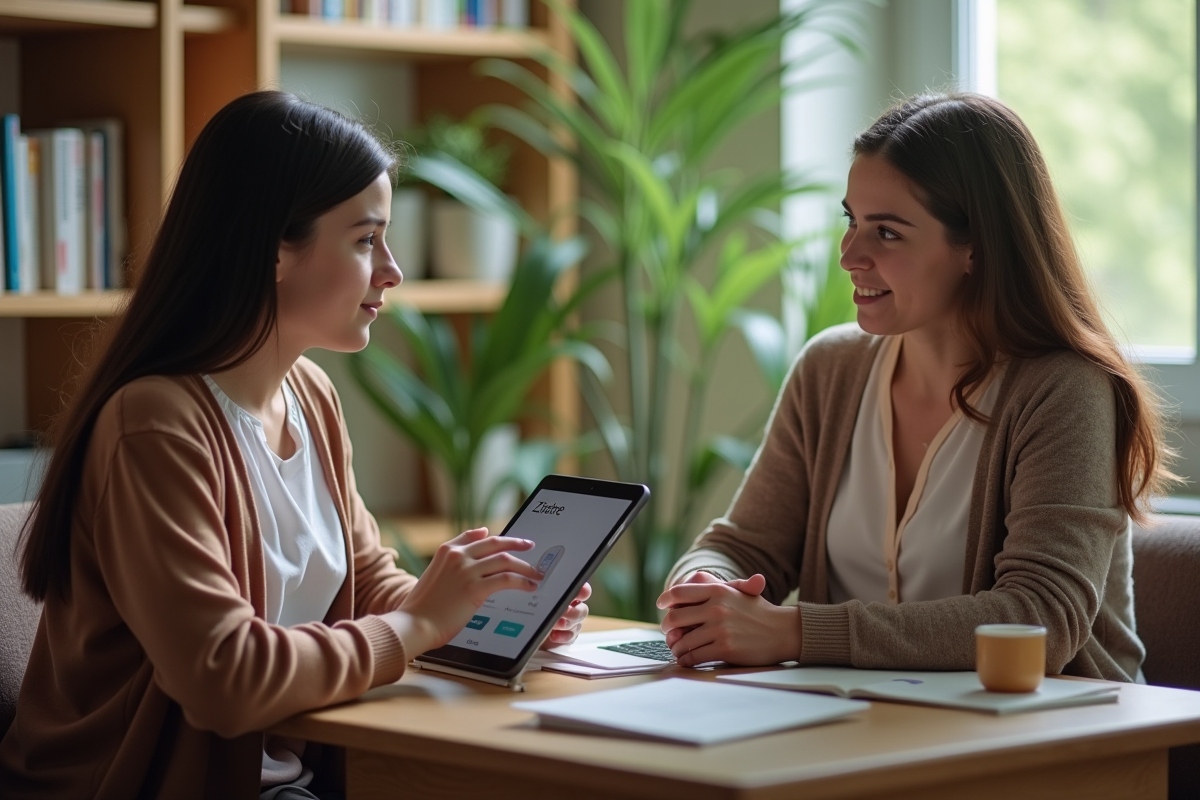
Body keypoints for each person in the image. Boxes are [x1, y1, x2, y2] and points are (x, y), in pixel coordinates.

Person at [0, 91, 589, 799]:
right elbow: (224, 677)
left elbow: (365, 582)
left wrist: (486, 618)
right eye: (366, 240)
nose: (393, 270)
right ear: (275, 248)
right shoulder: (155, 425)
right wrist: (420, 623)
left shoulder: (309, 394)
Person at [658, 92, 1174, 682]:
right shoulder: (829, 369)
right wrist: (706, 589)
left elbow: (1040, 618)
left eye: (887, 232)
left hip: (1054, 726)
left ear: (975, 248)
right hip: (856, 717)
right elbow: (743, 545)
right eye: (851, 221)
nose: (850, 255)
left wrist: (794, 631)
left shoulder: (1065, 389)